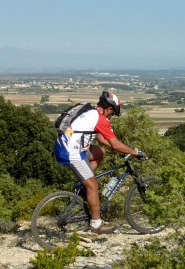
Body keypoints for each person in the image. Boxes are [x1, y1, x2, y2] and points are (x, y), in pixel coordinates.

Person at [54, 91, 147, 234]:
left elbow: (102, 140)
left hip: (70, 147)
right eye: (113, 113)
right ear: (109, 109)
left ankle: (84, 183)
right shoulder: (101, 119)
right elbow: (115, 144)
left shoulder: (92, 113)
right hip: (71, 152)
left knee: (100, 152)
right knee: (93, 185)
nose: (112, 116)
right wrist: (134, 152)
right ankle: (96, 225)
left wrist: (121, 148)